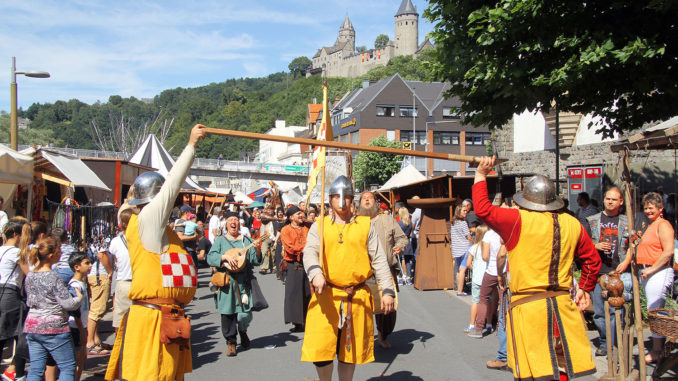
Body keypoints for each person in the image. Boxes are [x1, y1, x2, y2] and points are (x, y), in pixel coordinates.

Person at [473, 156, 600, 381]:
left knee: (535, 371)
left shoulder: (517, 219)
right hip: (562, 307)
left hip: (530, 310)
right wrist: (586, 288)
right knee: (560, 368)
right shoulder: (572, 223)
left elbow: (482, 209)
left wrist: (481, 175)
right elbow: (592, 260)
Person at [105, 124, 205, 381]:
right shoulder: (146, 222)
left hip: (169, 317)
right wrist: (191, 146)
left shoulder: (164, 231)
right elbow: (172, 185)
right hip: (152, 319)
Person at [301, 176, 395, 381]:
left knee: (348, 351)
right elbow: (309, 252)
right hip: (326, 295)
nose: (341, 201)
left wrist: (387, 290)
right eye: (336, 197)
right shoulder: (320, 225)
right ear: (330, 199)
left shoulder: (365, 225)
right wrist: (316, 273)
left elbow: (379, 260)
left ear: (353, 199)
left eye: (346, 197)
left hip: (356, 297)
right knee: (322, 348)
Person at [24, 237, 83, 381]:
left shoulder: (30, 276)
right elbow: (68, 304)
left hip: (33, 325)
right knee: (67, 367)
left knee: (36, 369)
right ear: (51, 256)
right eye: (59, 252)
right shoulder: (54, 278)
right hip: (54, 327)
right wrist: (79, 298)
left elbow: (29, 300)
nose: (61, 254)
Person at [206, 212, 263, 356]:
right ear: (226, 224)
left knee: (245, 314)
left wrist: (256, 249)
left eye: (236, 220)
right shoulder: (220, 241)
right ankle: (231, 342)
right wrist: (224, 257)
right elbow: (210, 257)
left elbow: (255, 261)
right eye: (230, 220)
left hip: (243, 282)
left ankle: (243, 331)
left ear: (240, 223)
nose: (233, 222)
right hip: (227, 282)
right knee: (227, 314)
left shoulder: (245, 240)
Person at [358, 191, 407, 349]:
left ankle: (383, 335)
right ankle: (363, 339)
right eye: (364, 198)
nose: (367, 200)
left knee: (387, 309)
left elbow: (402, 238)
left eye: (370, 198)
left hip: (386, 271)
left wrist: (399, 246)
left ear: (375, 202)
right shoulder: (354, 222)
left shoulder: (386, 220)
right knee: (362, 307)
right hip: (363, 274)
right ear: (359, 203)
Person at [583, 186, 629, 356]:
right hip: (598, 271)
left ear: (621, 202)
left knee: (617, 310)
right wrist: (596, 246)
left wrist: (626, 263)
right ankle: (604, 341)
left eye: (614, 199)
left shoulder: (626, 221)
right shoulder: (592, 220)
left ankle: (616, 342)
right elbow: (583, 245)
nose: (610, 202)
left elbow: (632, 245)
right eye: (608, 198)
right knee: (599, 313)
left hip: (618, 271)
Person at [633, 192, 675, 363]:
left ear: (660, 208)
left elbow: (668, 252)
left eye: (651, 208)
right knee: (652, 311)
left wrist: (651, 270)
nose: (648, 211)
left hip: (659, 271)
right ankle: (658, 348)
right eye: (646, 208)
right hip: (647, 271)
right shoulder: (649, 225)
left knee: (655, 311)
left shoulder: (663, 225)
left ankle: (658, 350)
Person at [0, 220, 30, 381]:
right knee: (18, 333)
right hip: (11, 293)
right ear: (16, 235)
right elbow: (29, 273)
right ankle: (18, 373)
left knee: (2, 333)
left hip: (1, 290)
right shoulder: (16, 253)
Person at [468, 227, 505, 338]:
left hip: (491, 270)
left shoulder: (489, 234)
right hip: (504, 270)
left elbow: (485, 256)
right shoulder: (507, 232)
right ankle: (501, 327)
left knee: (483, 299)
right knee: (502, 300)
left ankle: (479, 328)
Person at [280, 205, 311, 332]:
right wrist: (304, 249)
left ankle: (308, 319)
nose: (301, 215)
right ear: (291, 217)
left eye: (301, 213)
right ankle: (297, 322)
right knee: (294, 294)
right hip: (293, 264)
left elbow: (312, 242)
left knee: (308, 293)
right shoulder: (285, 230)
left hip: (307, 262)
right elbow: (289, 247)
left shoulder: (306, 228)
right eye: (298, 213)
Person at [85, 236, 113, 356]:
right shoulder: (101, 235)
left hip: (97, 275)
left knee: (97, 310)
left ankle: (96, 340)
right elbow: (101, 255)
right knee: (97, 310)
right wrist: (110, 270)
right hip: (100, 276)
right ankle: (90, 343)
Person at [67, 252, 92, 381]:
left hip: (82, 325)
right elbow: (74, 311)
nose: (90, 265)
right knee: (77, 359)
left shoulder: (82, 283)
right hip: (76, 327)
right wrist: (82, 329)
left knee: (81, 358)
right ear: (77, 267)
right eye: (86, 263)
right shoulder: (75, 285)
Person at [109, 209, 133, 332]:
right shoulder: (143, 240)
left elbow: (114, 257)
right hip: (139, 282)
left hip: (123, 281)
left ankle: (120, 347)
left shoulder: (115, 241)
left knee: (120, 320)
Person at [465, 224, 488, 334]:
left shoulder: (474, 247)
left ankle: (472, 324)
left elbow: (468, 263)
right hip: (487, 277)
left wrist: (474, 268)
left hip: (476, 278)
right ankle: (487, 324)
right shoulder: (489, 248)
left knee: (475, 301)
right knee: (488, 300)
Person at [450, 205, 472, 295]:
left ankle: (458, 288)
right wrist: (473, 244)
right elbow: (469, 236)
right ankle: (460, 291)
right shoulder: (463, 223)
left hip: (456, 249)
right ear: (459, 212)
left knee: (459, 270)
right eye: (464, 211)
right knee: (463, 270)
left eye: (466, 211)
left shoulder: (453, 223)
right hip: (464, 248)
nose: (466, 212)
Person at [397, 207, 415, 284]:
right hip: (408, 242)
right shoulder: (410, 223)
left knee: (399, 260)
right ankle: (408, 277)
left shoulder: (399, 224)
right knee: (408, 260)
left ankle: (400, 277)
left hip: (400, 242)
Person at [259, 206, 277, 274]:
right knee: (264, 252)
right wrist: (261, 236)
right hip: (265, 236)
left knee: (273, 253)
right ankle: (264, 267)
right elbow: (261, 227)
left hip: (273, 237)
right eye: (268, 210)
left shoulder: (275, 218)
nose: (269, 211)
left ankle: (273, 267)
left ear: (273, 211)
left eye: (270, 210)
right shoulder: (264, 217)